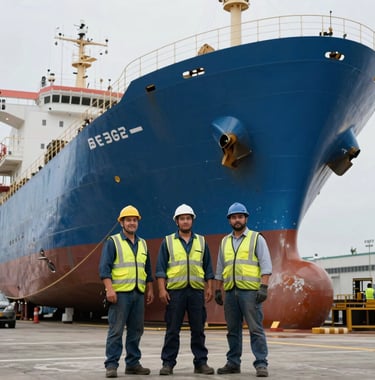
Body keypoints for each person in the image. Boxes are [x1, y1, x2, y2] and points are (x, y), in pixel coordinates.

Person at [156, 204, 215, 375]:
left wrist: (209, 287)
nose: (185, 221)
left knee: (198, 330)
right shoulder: (167, 242)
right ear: (177, 221)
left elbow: (208, 268)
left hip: (196, 292)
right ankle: (168, 363)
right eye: (182, 218)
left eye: (188, 218)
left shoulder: (202, 241)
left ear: (192, 220)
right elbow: (160, 269)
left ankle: (201, 363)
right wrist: (161, 290)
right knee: (172, 329)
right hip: (175, 292)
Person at [215, 202, 272, 378]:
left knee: (255, 329)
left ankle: (261, 364)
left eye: (240, 216)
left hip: (250, 292)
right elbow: (220, 268)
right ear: (229, 220)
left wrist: (263, 287)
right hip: (231, 292)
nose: (237, 220)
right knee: (232, 330)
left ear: (245, 218)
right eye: (233, 217)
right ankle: (233, 363)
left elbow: (266, 265)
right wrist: (218, 290)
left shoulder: (256, 238)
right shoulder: (225, 241)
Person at [99, 205, 154, 378]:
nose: (132, 223)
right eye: (128, 220)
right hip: (120, 294)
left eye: (134, 220)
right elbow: (104, 268)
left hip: (138, 293)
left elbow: (148, 270)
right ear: (121, 223)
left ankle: (132, 363)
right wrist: (109, 289)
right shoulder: (113, 242)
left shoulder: (143, 243)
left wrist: (150, 289)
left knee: (136, 330)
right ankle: (111, 365)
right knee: (116, 330)